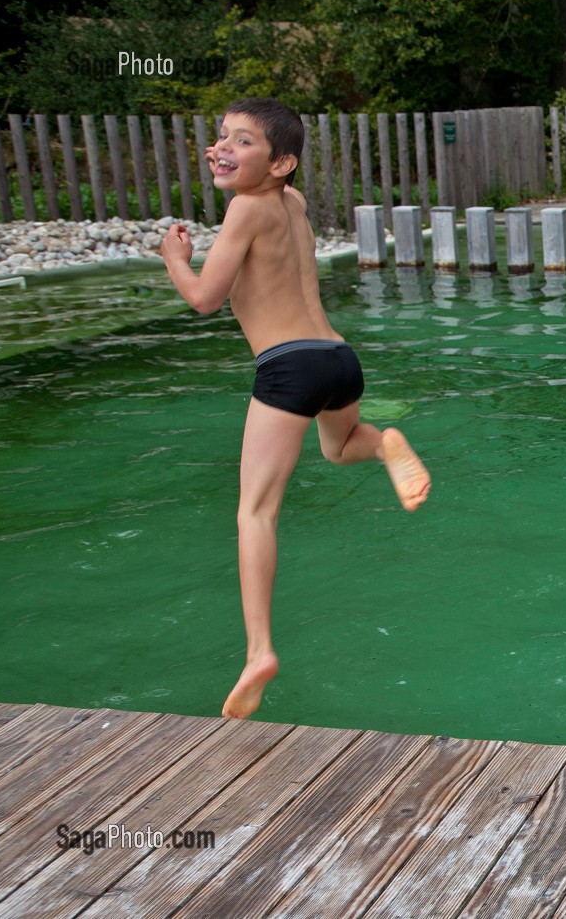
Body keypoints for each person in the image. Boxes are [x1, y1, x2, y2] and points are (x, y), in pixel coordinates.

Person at [159, 97, 431, 719]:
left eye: (243, 141)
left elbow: (205, 297)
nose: (222, 148)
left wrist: (176, 260)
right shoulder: (292, 201)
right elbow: (275, 255)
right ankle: (386, 442)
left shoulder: (245, 209)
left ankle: (259, 652)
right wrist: (245, 159)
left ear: (281, 162)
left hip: (288, 367)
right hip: (337, 357)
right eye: (220, 137)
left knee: (255, 512)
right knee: (341, 447)